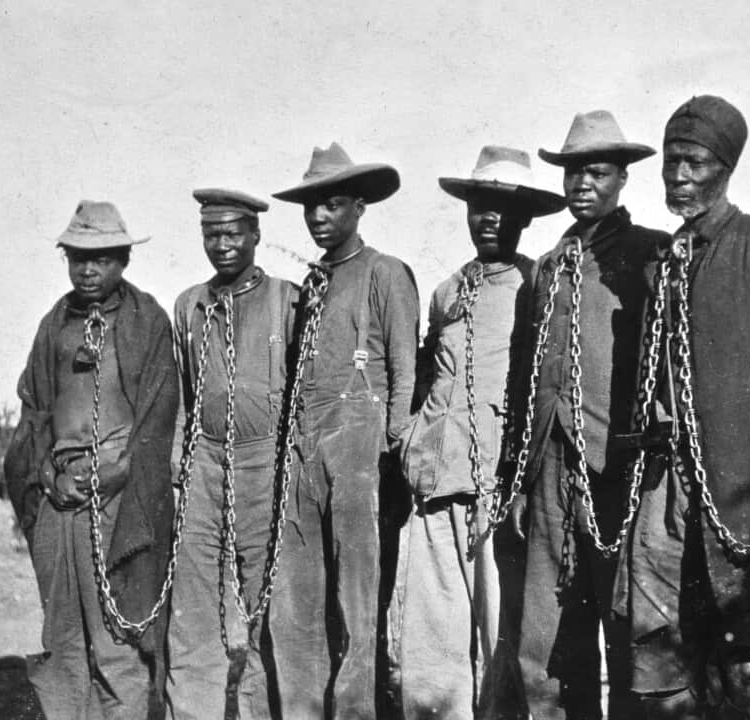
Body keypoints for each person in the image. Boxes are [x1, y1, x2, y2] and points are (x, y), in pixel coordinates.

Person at [618, 95, 750, 718]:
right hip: (662, 489)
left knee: (746, 657)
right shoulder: (661, 260)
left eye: (694, 163)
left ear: (724, 168)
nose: (678, 176)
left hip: (742, 491)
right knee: (658, 645)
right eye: (670, 163)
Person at [390, 145, 565, 719]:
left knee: (504, 640)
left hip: (501, 489)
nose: (488, 218)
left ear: (524, 219)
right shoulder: (446, 291)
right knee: (431, 644)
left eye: (501, 208)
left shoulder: (538, 284)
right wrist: (414, 439)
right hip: (437, 487)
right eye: (478, 207)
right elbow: (425, 375)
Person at [510, 110, 667, 720]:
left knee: (624, 615)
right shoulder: (549, 265)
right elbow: (528, 372)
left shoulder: (650, 253)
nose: (582, 185)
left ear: (622, 180)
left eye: (597, 173)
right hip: (551, 463)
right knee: (548, 631)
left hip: (617, 465)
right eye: (574, 172)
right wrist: (520, 474)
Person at [4, 200, 179, 719]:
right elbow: (34, 412)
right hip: (63, 499)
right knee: (64, 634)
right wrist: (49, 476)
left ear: (123, 259)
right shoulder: (54, 323)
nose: (87, 269)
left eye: (100, 258)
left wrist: (118, 471)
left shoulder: (149, 321)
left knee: (119, 634)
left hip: (123, 501)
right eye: (78, 257)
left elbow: (159, 415)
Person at [268, 142, 420, 719]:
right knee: (297, 602)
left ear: (359, 207)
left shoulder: (386, 273)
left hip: (361, 451)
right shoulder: (311, 285)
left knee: (358, 606)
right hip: (304, 451)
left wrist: (395, 452)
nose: (318, 217)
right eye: (311, 207)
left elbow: (405, 372)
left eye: (331, 205)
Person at [166, 188, 298, 720]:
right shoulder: (190, 304)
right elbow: (181, 388)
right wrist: (180, 454)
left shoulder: (287, 299)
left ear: (255, 235)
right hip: (203, 460)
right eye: (211, 233)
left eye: (232, 232)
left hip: (265, 461)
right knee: (195, 602)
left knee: (266, 599)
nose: (222, 244)